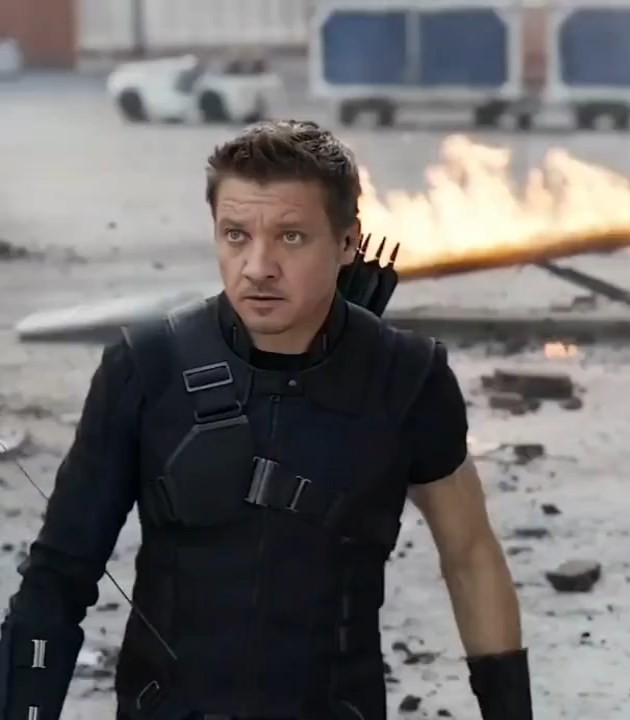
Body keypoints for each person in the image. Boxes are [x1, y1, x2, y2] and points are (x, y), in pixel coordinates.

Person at [0, 121, 532, 720]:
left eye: (291, 237)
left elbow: (470, 555)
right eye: (236, 235)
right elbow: (58, 577)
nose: (258, 266)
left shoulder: (409, 376)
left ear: (348, 242)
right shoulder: (145, 367)